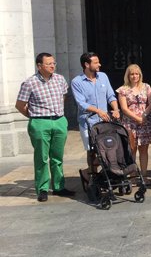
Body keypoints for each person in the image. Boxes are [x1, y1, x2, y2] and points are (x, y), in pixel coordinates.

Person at [15, 53, 75, 202]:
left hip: (59, 121)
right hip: (40, 122)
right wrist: (35, 116)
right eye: (48, 64)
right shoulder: (29, 83)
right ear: (39, 66)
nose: (52, 66)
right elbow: (20, 105)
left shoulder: (60, 79)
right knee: (41, 158)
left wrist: (59, 115)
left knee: (57, 157)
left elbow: (63, 97)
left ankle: (59, 187)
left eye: (53, 63)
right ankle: (42, 189)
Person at [71, 52, 120, 186]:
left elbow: (111, 95)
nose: (99, 64)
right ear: (87, 65)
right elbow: (81, 104)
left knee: (109, 147)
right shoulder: (77, 82)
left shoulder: (103, 77)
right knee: (92, 151)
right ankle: (92, 176)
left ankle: (97, 172)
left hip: (104, 122)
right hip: (88, 122)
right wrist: (98, 111)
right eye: (96, 62)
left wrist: (115, 109)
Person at [116, 64, 151, 186]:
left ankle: (144, 175)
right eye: (132, 74)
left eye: (137, 74)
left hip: (144, 122)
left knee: (144, 150)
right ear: (128, 76)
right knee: (132, 149)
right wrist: (136, 118)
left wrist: (143, 116)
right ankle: (133, 175)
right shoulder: (123, 90)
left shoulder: (146, 87)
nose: (135, 76)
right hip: (130, 123)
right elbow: (123, 108)